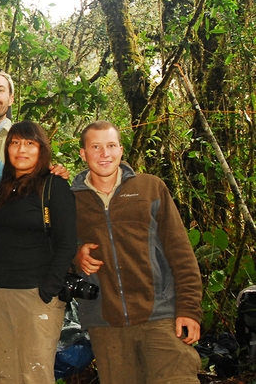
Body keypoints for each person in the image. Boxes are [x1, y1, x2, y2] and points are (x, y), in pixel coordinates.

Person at [72, 121, 203, 384]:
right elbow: (53, 252)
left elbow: (181, 252)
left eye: (110, 146)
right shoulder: (70, 200)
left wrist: (188, 309)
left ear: (121, 150)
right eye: (95, 147)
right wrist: (75, 257)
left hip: (160, 315)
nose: (104, 154)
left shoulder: (150, 188)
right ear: (83, 154)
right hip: (106, 323)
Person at [0, 121, 76, 383]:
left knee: (34, 373)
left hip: (35, 294)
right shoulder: (3, 187)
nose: (21, 149)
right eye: (15, 143)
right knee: (5, 371)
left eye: (29, 143)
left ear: (41, 149)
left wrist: (48, 289)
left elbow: (67, 242)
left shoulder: (53, 186)